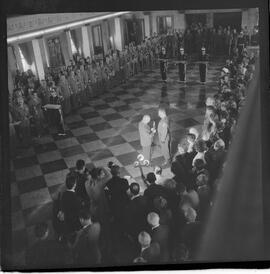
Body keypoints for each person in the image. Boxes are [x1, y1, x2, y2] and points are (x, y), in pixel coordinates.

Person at [61, 173, 82, 238]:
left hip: (66, 219)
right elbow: (78, 211)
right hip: (74, 221)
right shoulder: (76, 198)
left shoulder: (63, 194)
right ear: (74, 185)